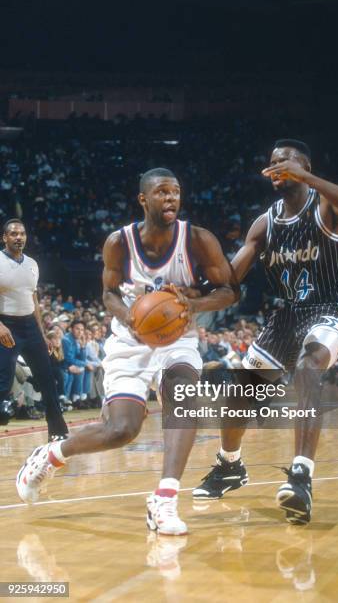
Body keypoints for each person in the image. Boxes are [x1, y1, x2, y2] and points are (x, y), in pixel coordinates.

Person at [16, 168, 238, 536]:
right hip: (130, 340)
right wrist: (131, 318)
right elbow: (108, 294)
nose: (171, 199)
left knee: (184, 399)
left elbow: (230, 291)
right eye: (162, 192)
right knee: (121, 430)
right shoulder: (118, 242)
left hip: (177, 337)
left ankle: (164, 501)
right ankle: (53, 454)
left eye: (176, 192)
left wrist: (192, 304)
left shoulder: (198, 239)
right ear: (143, 199)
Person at [192, 139, 338, 525]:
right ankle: (230, 466)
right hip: (286, 317)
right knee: (239, 394)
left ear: (303, 166)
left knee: (309, 369)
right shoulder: (265, 222)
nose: (275, 165)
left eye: (284, 160)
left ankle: (302, 476)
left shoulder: (326, 206)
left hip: (330, 309)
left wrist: (309, 177)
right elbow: (230, 279)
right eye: (271, 161)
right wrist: (193, 294)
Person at [0, 219, 68, 439]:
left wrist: (41, 332)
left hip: (30, 325)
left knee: (47, 379)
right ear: (5, 238)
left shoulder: (32, 264)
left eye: (22, 233)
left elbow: (34, 297)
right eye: (13, 234)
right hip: (5, 325)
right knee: (3, 381)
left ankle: (58, 431)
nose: (18, 237)